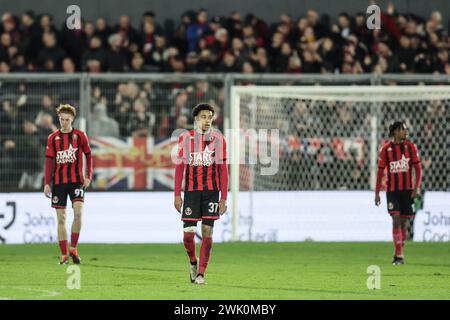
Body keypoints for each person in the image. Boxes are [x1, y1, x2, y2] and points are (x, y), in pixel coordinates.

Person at [174, 103, 228, 284]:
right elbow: (180, 167)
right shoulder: (186, 139)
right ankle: (193, 262)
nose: (207, 120)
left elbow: (223, 170)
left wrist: (224, 198)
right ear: (196, 119)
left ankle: (201, 274)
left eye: (210, 117)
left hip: (211, 192)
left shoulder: (219, 140)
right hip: (191, 192)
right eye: (203, 116)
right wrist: (176, 194)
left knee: (207, 231)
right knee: (188, 235)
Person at [44, 104, 93, 265]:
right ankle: (64, 254)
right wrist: (47, 183)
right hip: (59, 183)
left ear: (72, 119)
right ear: (59, 119)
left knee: (78, 213)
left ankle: (74, 248)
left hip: (77, 182)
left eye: (67, 119)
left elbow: (89, 154)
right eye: (61, 119)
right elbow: (49, 162)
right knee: (61, 218)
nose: (64, 122)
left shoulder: (80, 135)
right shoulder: (53, 138)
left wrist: (88, 176)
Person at [375, 121, 422, 265]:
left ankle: (399, 250)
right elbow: (380, 172)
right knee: (395, 220)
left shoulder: (411, 147)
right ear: (395, 131)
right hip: (392, 191)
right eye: (403, 129)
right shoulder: (386, 149)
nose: (405, 132)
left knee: (404, 223)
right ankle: (399, 255)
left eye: (406, 129)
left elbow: (418, 169)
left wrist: (416, 187)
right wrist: (377, 193)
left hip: (408, 191)